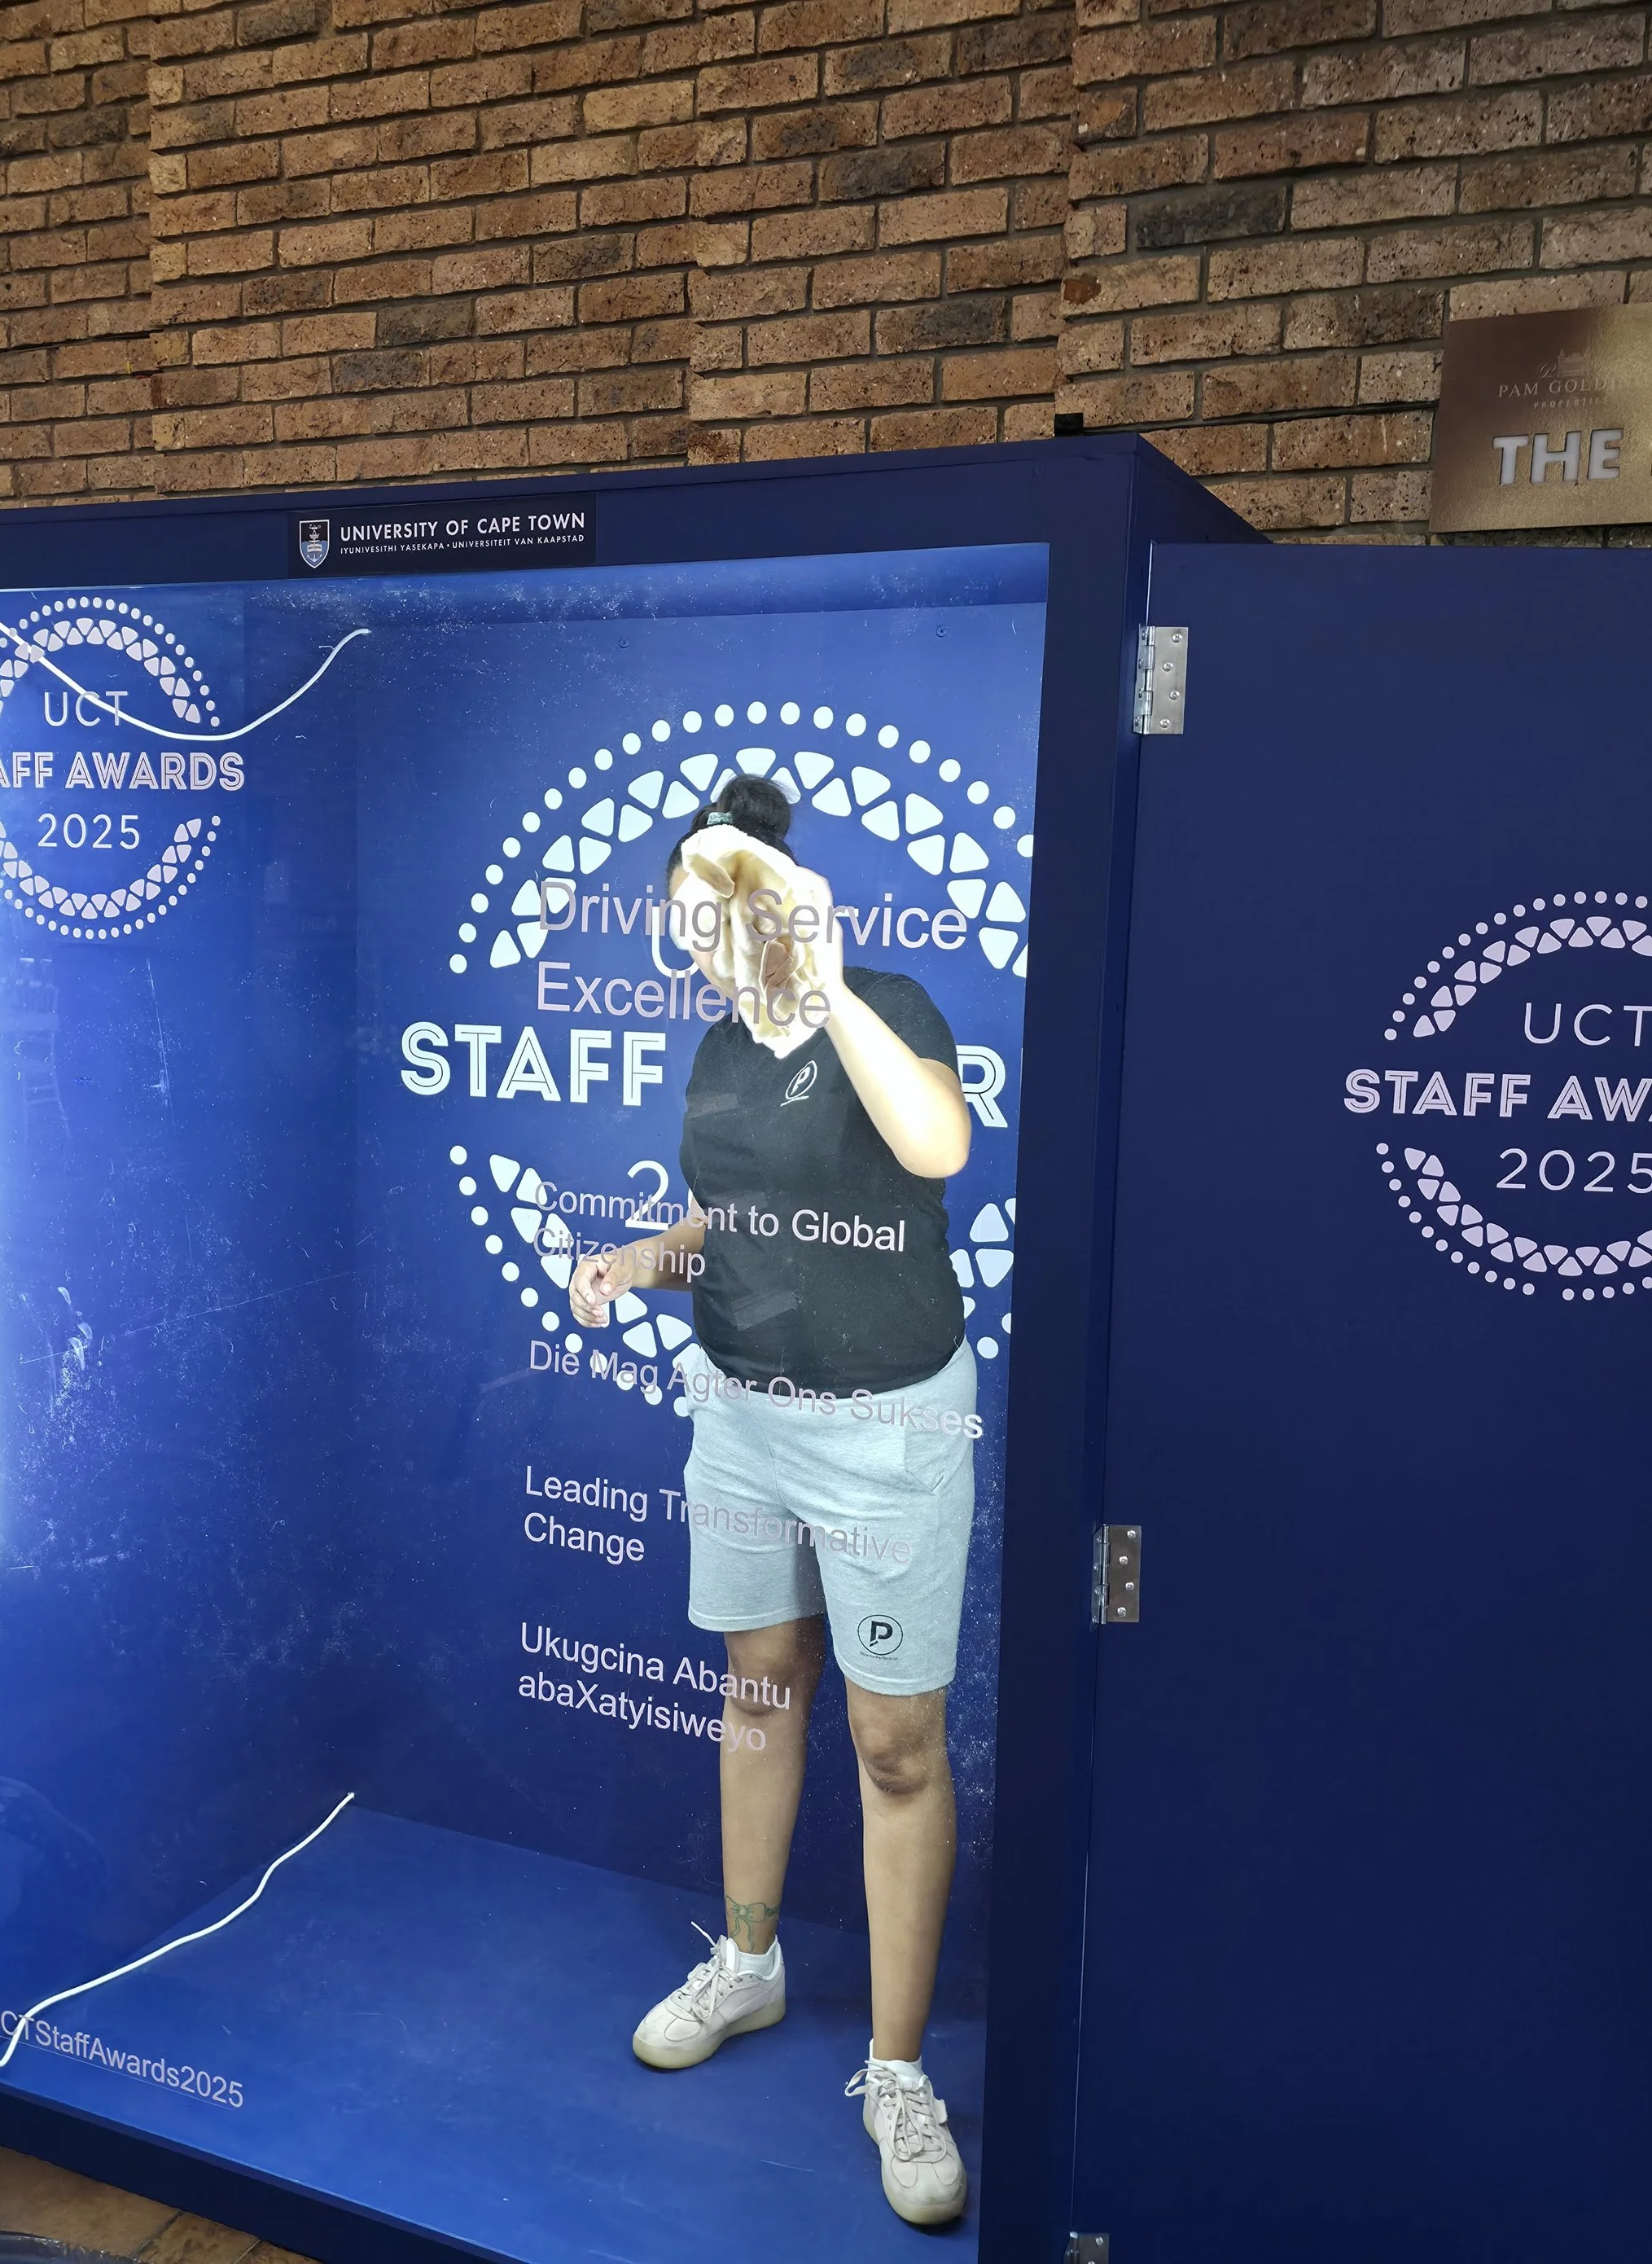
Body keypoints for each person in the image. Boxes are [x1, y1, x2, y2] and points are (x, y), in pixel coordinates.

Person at [571, 774, 979, 2230]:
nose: (705, 933)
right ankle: (749, 1964)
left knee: (893, 1742)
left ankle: (895, 2068)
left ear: (784, 898)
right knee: (758, 1689)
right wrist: (643, 1258)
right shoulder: (715, 1049)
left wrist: (820, 964)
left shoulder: (892, 1007)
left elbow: (937, 1148)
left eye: (730, 902)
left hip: (886, 1428)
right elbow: (734, 1223)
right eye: (688, 911)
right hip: (741, 1416)